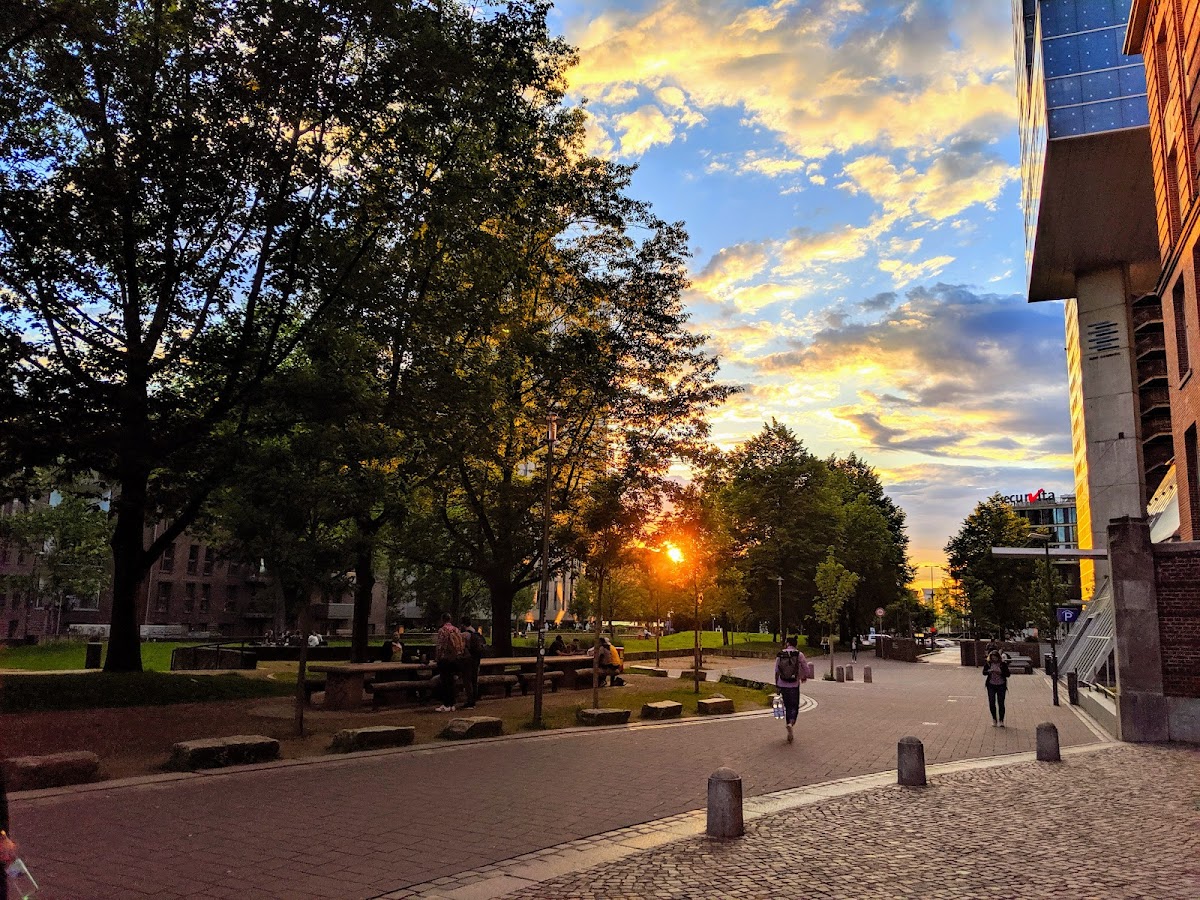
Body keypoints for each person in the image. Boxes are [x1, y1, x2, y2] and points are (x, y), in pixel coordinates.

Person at [774, 636, 809, 744]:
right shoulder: (799, 655)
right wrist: (804, 676)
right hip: (794, 684)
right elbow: (806, 668)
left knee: (787, 706)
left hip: (782, 684)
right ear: (795, 644)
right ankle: (791, 723)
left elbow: (776, 670)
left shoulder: (780, 655)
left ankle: (789, 725)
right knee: (794, 706)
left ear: (787, 643)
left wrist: (777, 683)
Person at [435, 613, 465, 712]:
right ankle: (452, 704)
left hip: (445, 659)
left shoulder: (442, 630)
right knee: (452, 682)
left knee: (445, 681)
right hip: (455, 659)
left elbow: (441, 646)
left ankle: (446, 704)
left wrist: (437, 658)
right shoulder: (456, 629)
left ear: (442, 619)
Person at [460, 616, 485, 709]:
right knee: (474, 679)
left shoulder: (464, 635)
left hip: (468, 659)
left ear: (463, 624)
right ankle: (475, 698)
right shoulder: (475, 632)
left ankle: (470, 700)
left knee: (467, 680)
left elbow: (461, 648)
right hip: (476, 659)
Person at [983, 649, 1010, 727]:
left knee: (1001, 702)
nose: (994, 659)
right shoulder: (988, 664)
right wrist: (989, 671)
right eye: (992, 657)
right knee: (992, 702)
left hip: (1001, 685)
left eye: (995, 657)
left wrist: (1001, 673)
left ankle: (1001, 720)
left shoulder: (1002, 664)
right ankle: (994, 719)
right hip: (991, 685)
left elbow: (1008, 674)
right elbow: (984, 672)